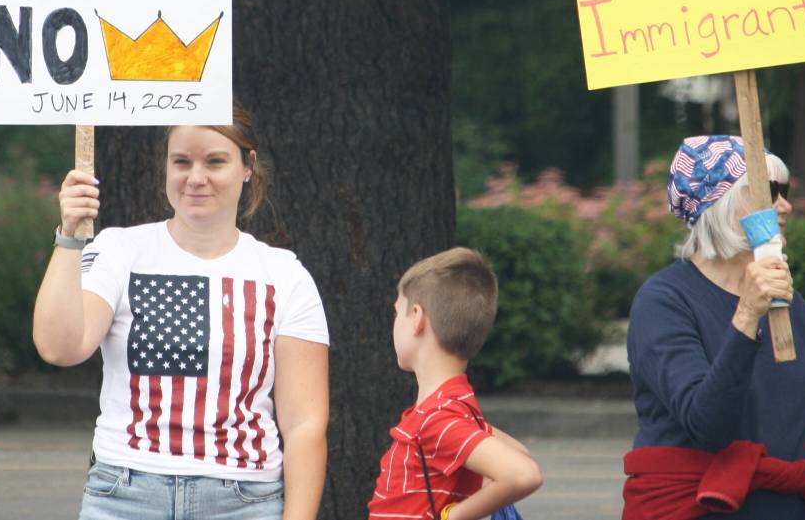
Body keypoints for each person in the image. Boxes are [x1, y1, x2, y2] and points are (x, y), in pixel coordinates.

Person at [33, 106, 329, 520]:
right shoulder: (119, 250)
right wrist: (69, 235)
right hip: (123, 494)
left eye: (215, 161)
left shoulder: (285, 275)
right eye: (182, 162)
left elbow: (304, 424)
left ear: (248, 166)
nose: (196, 178)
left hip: (244, 502)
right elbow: (59, 347)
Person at [623, 134, 805, 520]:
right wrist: (747, 314)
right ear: (718, 203)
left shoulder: (792, 305)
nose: (784, 205)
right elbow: (709, 427)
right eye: (768, 192)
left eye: (784, 191)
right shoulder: (664, 302)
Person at [367, 247, 542, 520]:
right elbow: (519, 452)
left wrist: (454, 516)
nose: (393, 323)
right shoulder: (454, 409)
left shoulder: (436, 419)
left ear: (417, 318)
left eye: (396, 313)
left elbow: (523, 473)